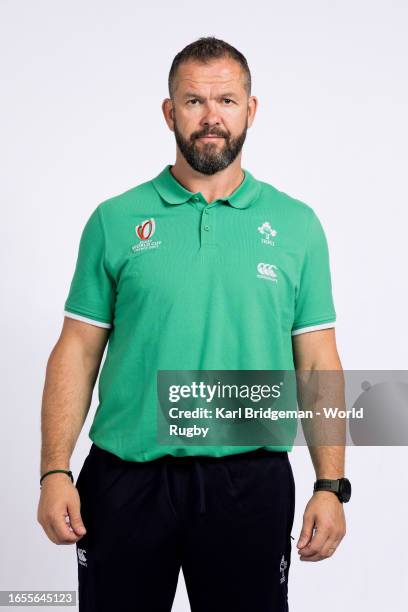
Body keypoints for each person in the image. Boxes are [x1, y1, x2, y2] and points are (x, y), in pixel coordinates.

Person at [37, 36, 349, 612]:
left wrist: (331, 486)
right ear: (168, 111)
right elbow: (78, 350)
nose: (211, 118)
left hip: (248, 482)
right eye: (193, 102)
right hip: (125, 480)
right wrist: (54, 470)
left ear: (251, 110)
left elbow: (317, 362)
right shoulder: (116, 219)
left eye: (227, 101)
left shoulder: (297, 225)